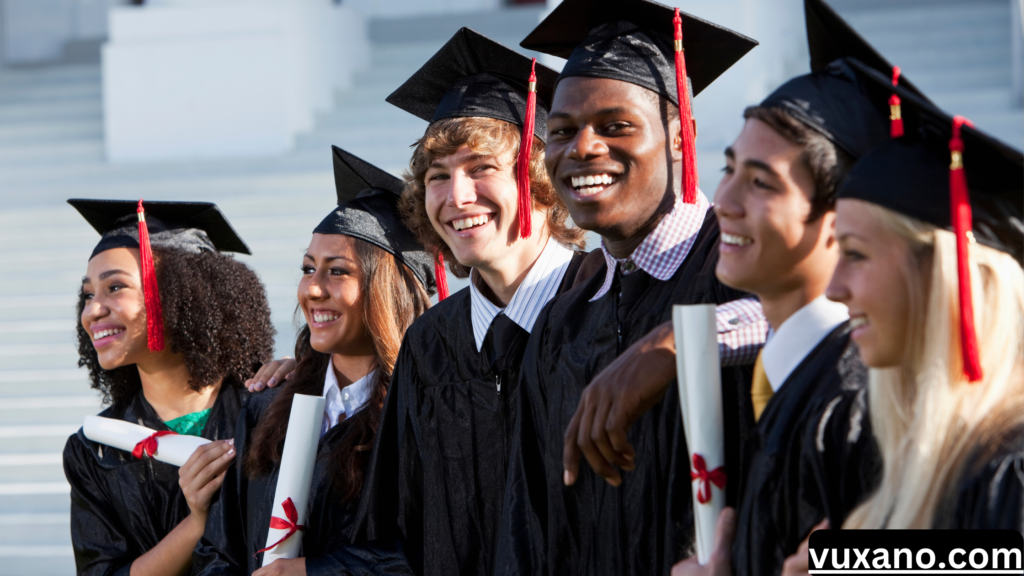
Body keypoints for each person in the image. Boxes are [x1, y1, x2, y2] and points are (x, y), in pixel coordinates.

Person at [494, 1, 765, 574]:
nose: (583, 148)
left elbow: (819, 317)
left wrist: (685, 342)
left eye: (616, 126)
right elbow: (529, 523)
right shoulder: (562, 322)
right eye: (562, 131)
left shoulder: (742, 265)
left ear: (679, 135)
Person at [346, 28, 591, 576]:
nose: (457, 197)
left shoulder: (606, 312)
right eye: (438, 177)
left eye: (481, 168)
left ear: (540, 175)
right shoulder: (430, 345)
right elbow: (397, 533)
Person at [780, 65, 1024, 576]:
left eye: (857, 254)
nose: (834, 286)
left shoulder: (1011, 470)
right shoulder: (922, 456)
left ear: (941, 275)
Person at [192, 147, 433, 576]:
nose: (313, 289)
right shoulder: (267, 407)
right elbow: (219, 548)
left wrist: (307, 572)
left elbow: (434, 551)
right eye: (308, 268)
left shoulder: (423, 413)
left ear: (388, 290)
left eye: (337, 271)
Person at [63, 199, 275, 576]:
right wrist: (197, 522)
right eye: (88, 294)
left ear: (182, 296)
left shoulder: (268, 414)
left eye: (115, 287)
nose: (93, 310)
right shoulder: (95, 449)